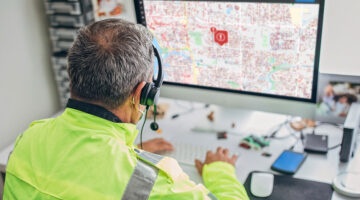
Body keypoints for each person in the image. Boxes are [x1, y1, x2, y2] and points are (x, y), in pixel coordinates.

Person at [3, 18, 249, 199]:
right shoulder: (151, 182)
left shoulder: (29, 139)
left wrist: (130, 152)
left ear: (73, 74)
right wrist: (221, 171)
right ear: (143, 94)